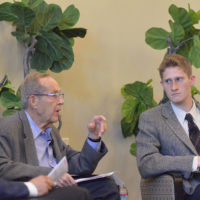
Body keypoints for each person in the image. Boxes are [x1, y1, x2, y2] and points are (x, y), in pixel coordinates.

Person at [0, 72, 119, 200]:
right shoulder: (9, 127)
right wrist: (50, 174)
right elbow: (3, 167)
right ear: (33, 101)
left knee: (107, 187)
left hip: (57, 188)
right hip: (34, 192)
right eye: (54, 95)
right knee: (77, 194)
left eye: (60, 95)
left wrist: (93, 138)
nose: (61, 101)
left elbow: (80, 165)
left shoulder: (51, 130)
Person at [136, 53, 200, 200]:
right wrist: (194, 162)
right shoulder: (151, 118)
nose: (174, 87)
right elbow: (146, 163)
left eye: (179, 79)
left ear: (191, 80)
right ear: (162, 84)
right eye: (168, 81)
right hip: (189, 190)